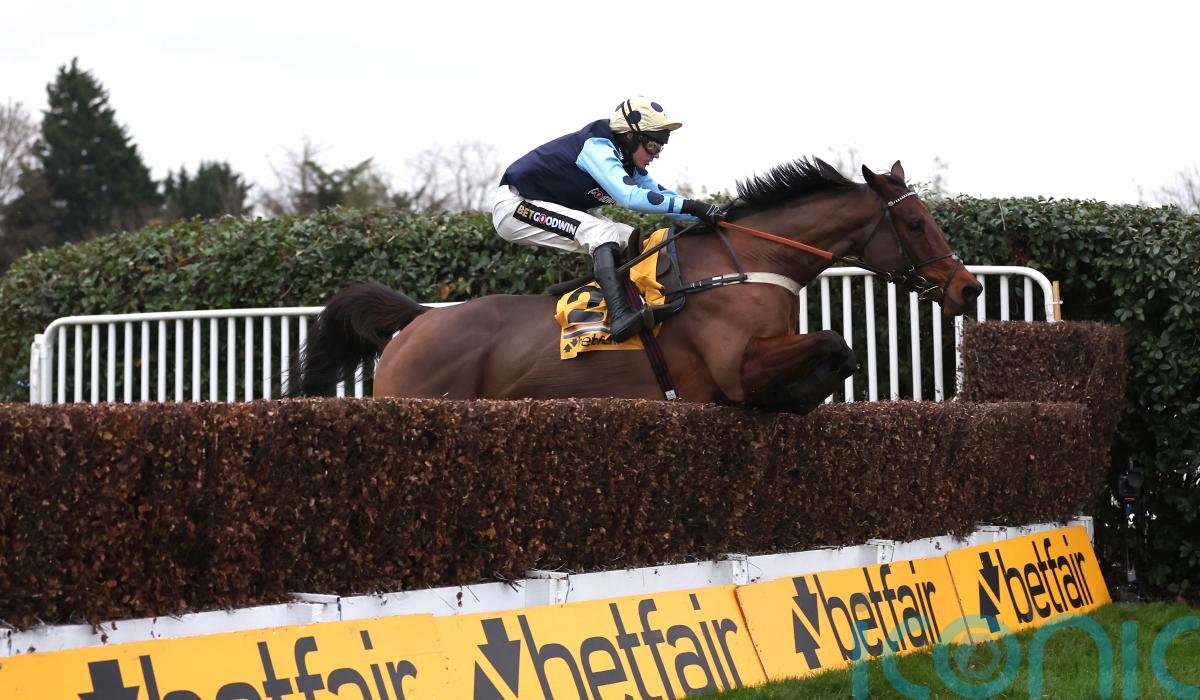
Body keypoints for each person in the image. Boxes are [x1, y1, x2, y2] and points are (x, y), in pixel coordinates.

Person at [492, 97, 726, 341]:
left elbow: (665, 198)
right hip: (516, 207)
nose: (656, 154)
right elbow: (631, 197)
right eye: (652, 145)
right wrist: (693, 206)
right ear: (629, 136)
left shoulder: (628, 162)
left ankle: (632, 302)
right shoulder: (597, 147)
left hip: (544, 203)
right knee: (602, 234)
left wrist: (713, 212)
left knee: (629, 237)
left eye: (661, 147)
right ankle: (620, 317)